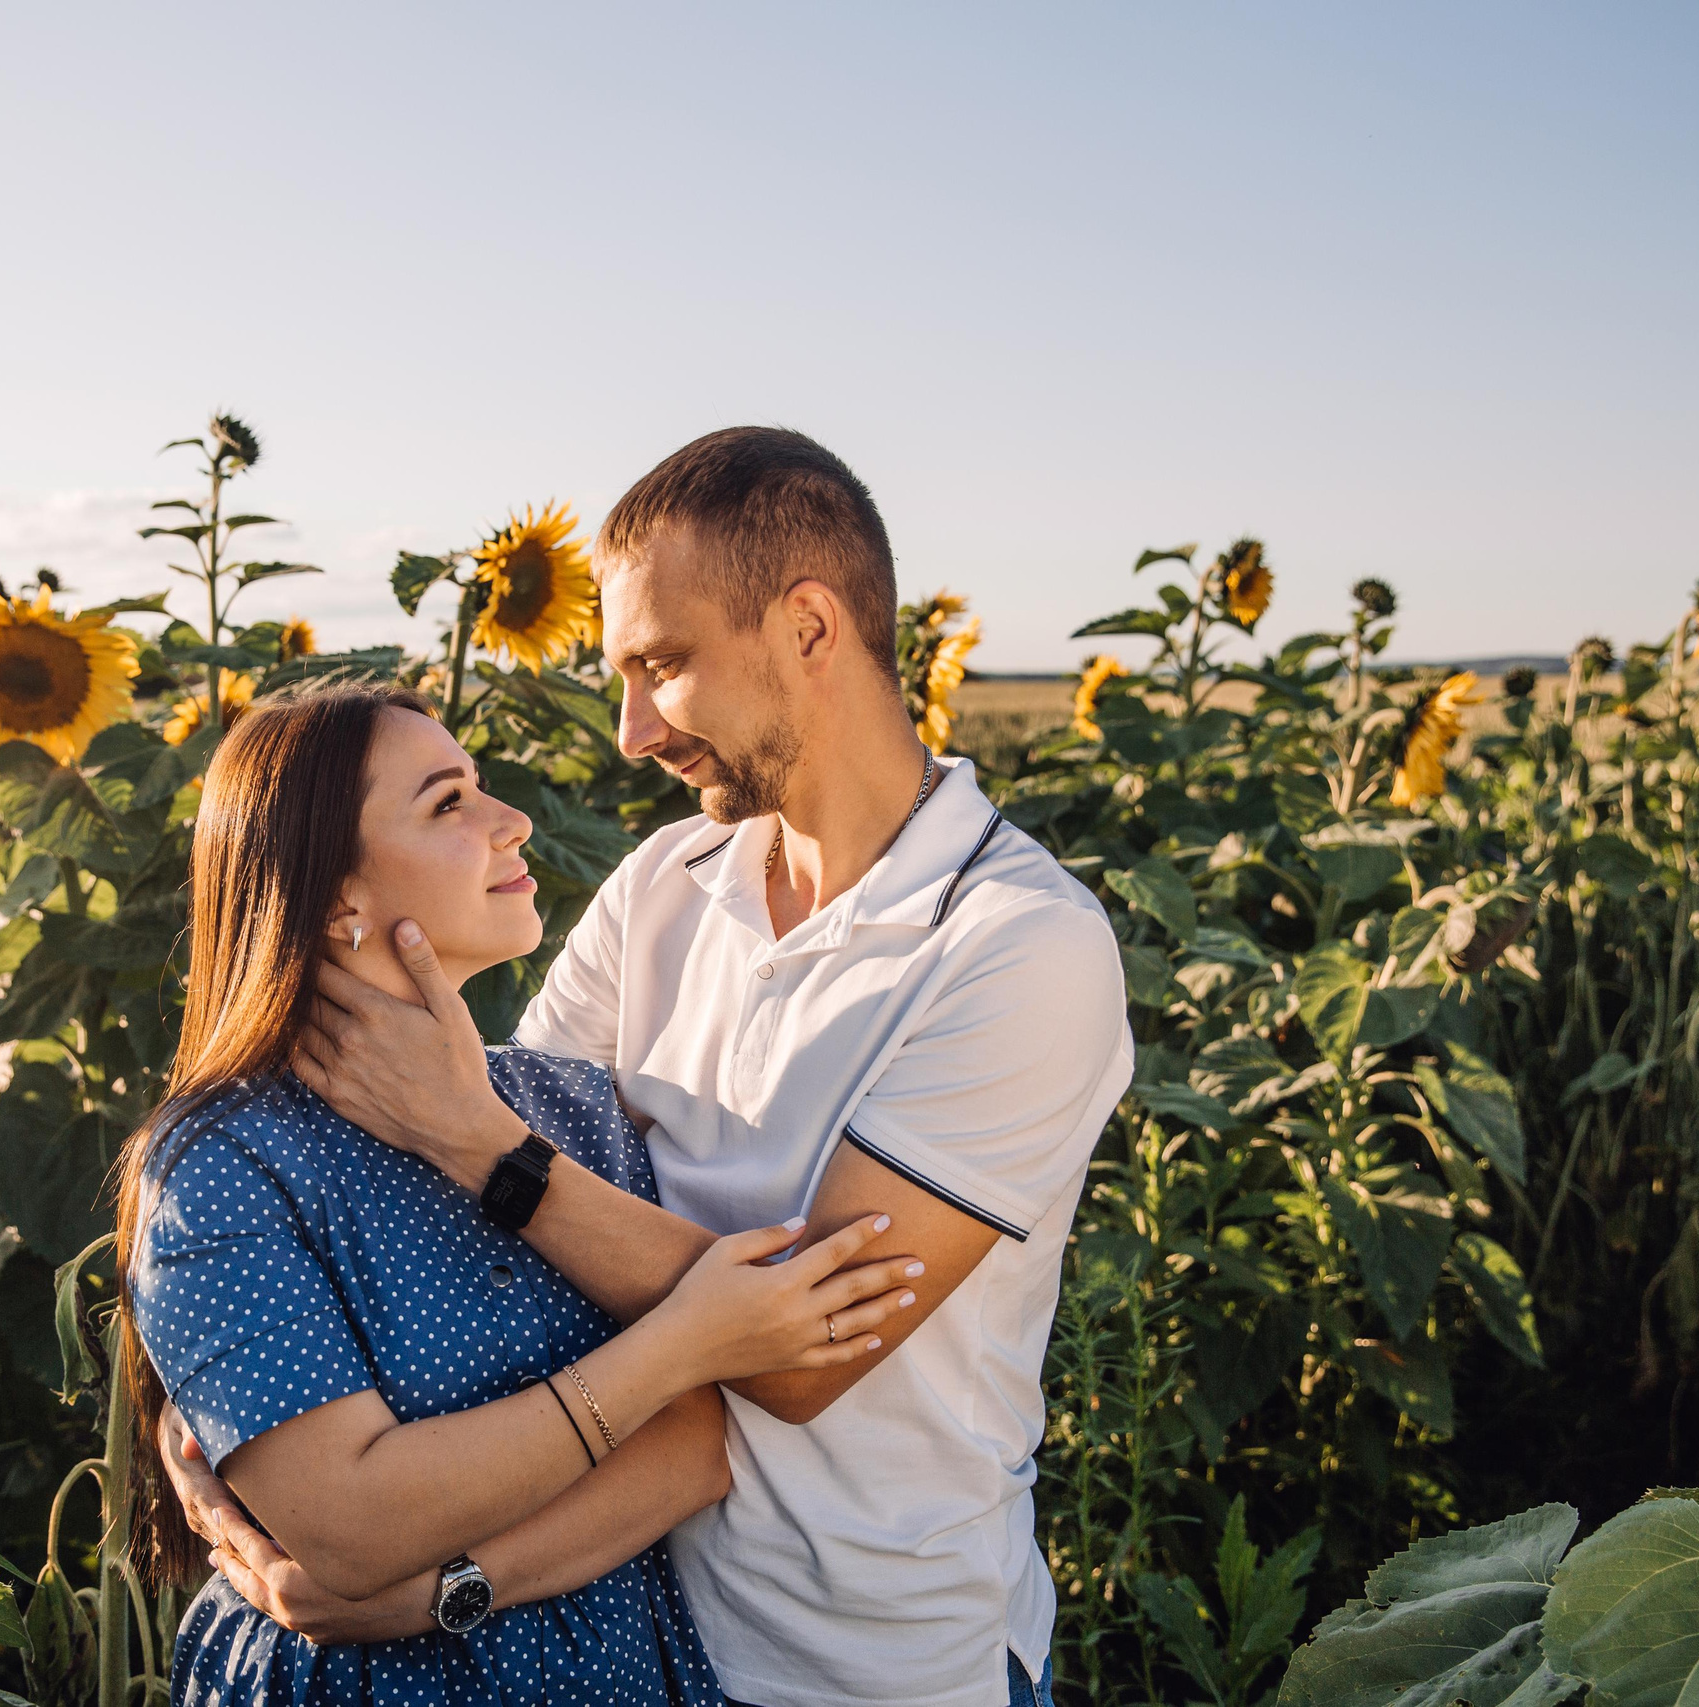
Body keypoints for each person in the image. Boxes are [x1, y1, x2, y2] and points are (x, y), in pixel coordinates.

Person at [179, 429, 1132, 1707]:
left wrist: (481, 1148)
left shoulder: (1019, 946)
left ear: (808, 627)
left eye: (662, 667)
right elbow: (504, 1227)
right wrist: (236, 1411)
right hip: (624, 1626)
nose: (629, 732)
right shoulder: (665, 887)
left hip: (871, 1656)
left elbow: (798, 1355)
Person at [115, 682, 927, 1707]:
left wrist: (448, 1586)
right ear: (335, 901)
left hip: (615, 1674)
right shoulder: (226, 1164)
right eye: (448, 803)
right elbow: (350, 1524)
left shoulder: (572, 1105)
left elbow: (697, 1447)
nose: (513, 822)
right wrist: (679, 1343)